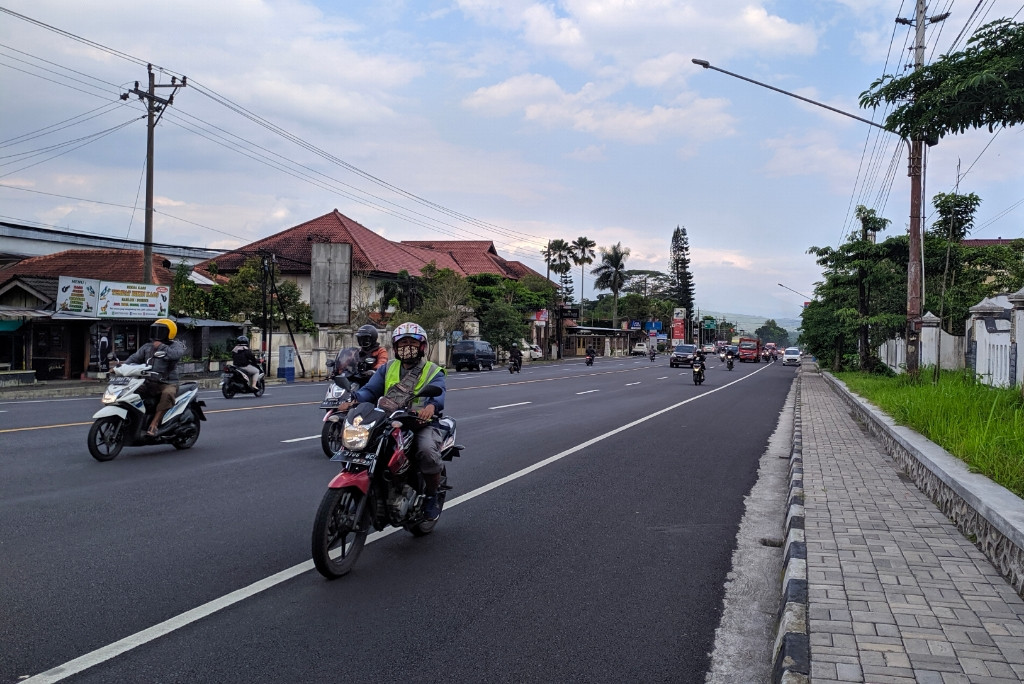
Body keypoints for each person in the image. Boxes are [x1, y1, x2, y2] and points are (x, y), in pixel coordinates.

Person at [338, 322, 446, 521]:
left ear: (422, 346)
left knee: (427, 452)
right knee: (361, 447)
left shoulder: (433, 370)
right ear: (395, 347)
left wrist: (430, 408)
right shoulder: (387, 368)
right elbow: (370, 391)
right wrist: (353, 400)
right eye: (402, 342)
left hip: (420, 423)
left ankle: (433, 495)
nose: (407, 346)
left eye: (412, 342)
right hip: (389, 419)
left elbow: (438, 395)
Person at [116, 318, 185, 436]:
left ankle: (154, 424)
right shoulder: (147, 347)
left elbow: (176, 355)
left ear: (169, 332)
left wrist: (162, 346)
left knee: (167, 394)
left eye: (160, 331)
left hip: (167, 383)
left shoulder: (176, 346)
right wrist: (120, 368)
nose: (156, 334)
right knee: (130, 392)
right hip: (149, 382)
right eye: (154, 330)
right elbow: (134, 358)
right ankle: (132, 420)